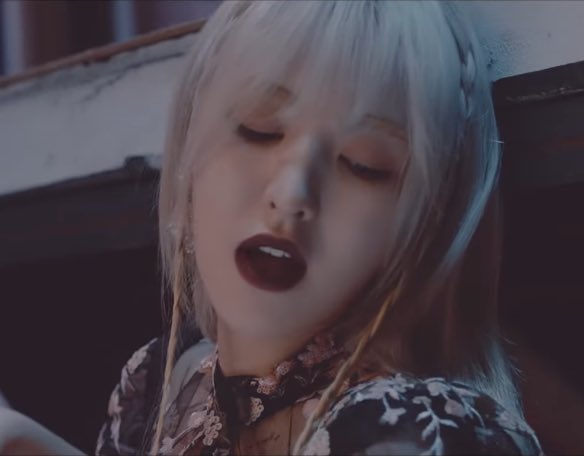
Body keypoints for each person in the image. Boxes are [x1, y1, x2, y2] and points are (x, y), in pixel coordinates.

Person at [0, 1, 542, 455]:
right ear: (189, 154)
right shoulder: (160, 387)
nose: (292, 194)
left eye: (363, 164)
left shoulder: (417, 430)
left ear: (425, 228)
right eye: (258, 129)